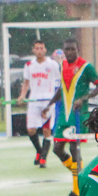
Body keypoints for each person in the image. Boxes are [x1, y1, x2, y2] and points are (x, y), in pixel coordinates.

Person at [48, 38, 98, 196]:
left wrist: (84, 98)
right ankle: (80, 175)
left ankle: (76, 191)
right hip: (63, 115)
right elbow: (62, 89)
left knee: (75, 149)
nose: (70, 52)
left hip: (78, 114)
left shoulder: (86, 67)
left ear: (77, 49)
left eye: (72, 49)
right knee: (57, 148)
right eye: (67, 50)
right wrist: (49, 105)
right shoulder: (63, 66)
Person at [17, 40, 61, 168]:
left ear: (45, 50)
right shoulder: (29, 65)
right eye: (37, 48)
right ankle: (39, 151)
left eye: (42, 48)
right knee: (31, 130)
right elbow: (26, 84)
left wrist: (56, 97)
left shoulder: (52, 65)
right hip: (33, 101)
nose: (39, 50)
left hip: (48, 101)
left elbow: (59, 82)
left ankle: (43, 159)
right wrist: (22, 96)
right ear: (33, 50)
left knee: (47, 130)